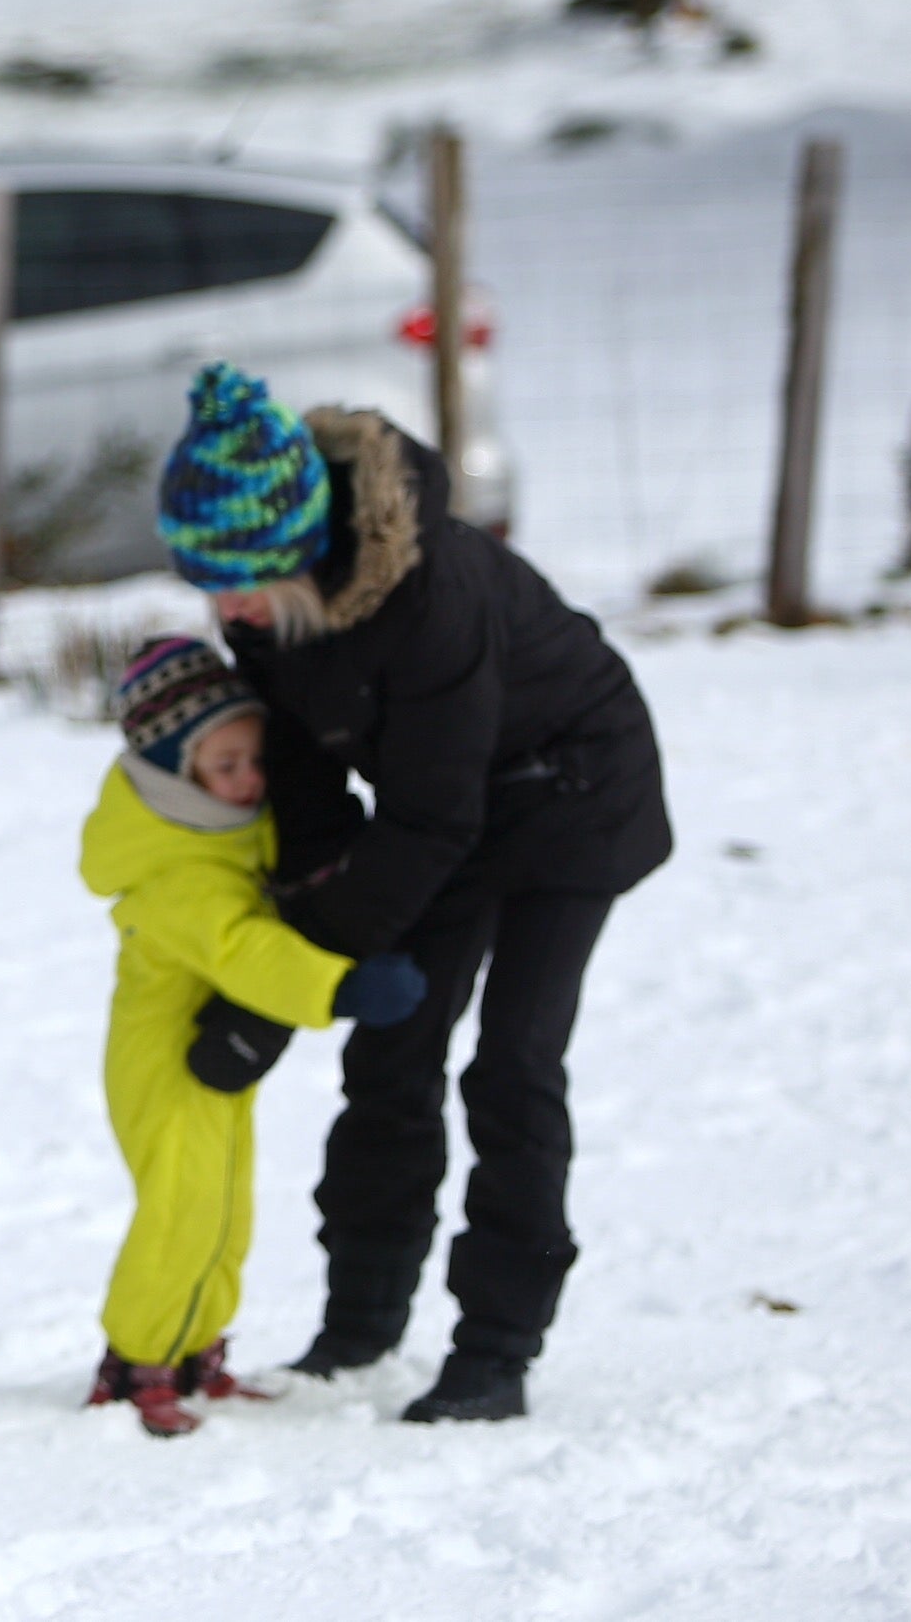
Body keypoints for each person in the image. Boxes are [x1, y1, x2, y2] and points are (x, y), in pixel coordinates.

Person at [159, 363, 671, 1423]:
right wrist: (308, 926)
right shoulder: (262, 604)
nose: (225, 606)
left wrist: (294, 983)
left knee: (512, 1061)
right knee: (390, 1049)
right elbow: (304, 775)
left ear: (300, 543)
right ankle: (359, 1325)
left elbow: (433, 818)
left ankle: (495, 1350)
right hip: (442, 809)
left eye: (241, 579)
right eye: (206, 579)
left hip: (572, 791)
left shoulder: (430, 597)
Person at [78, 636, 424, 1437]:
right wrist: (340, 987)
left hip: (204, 1064)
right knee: (180, 1211)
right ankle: (136, 1363)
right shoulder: (177, 870)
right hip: (163, 1065)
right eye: (225, 765)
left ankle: (196, 1351)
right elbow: (243, 950)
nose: (249, 779)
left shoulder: (219, 832)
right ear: (175, 769)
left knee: (225, 1209)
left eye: (254, 760)